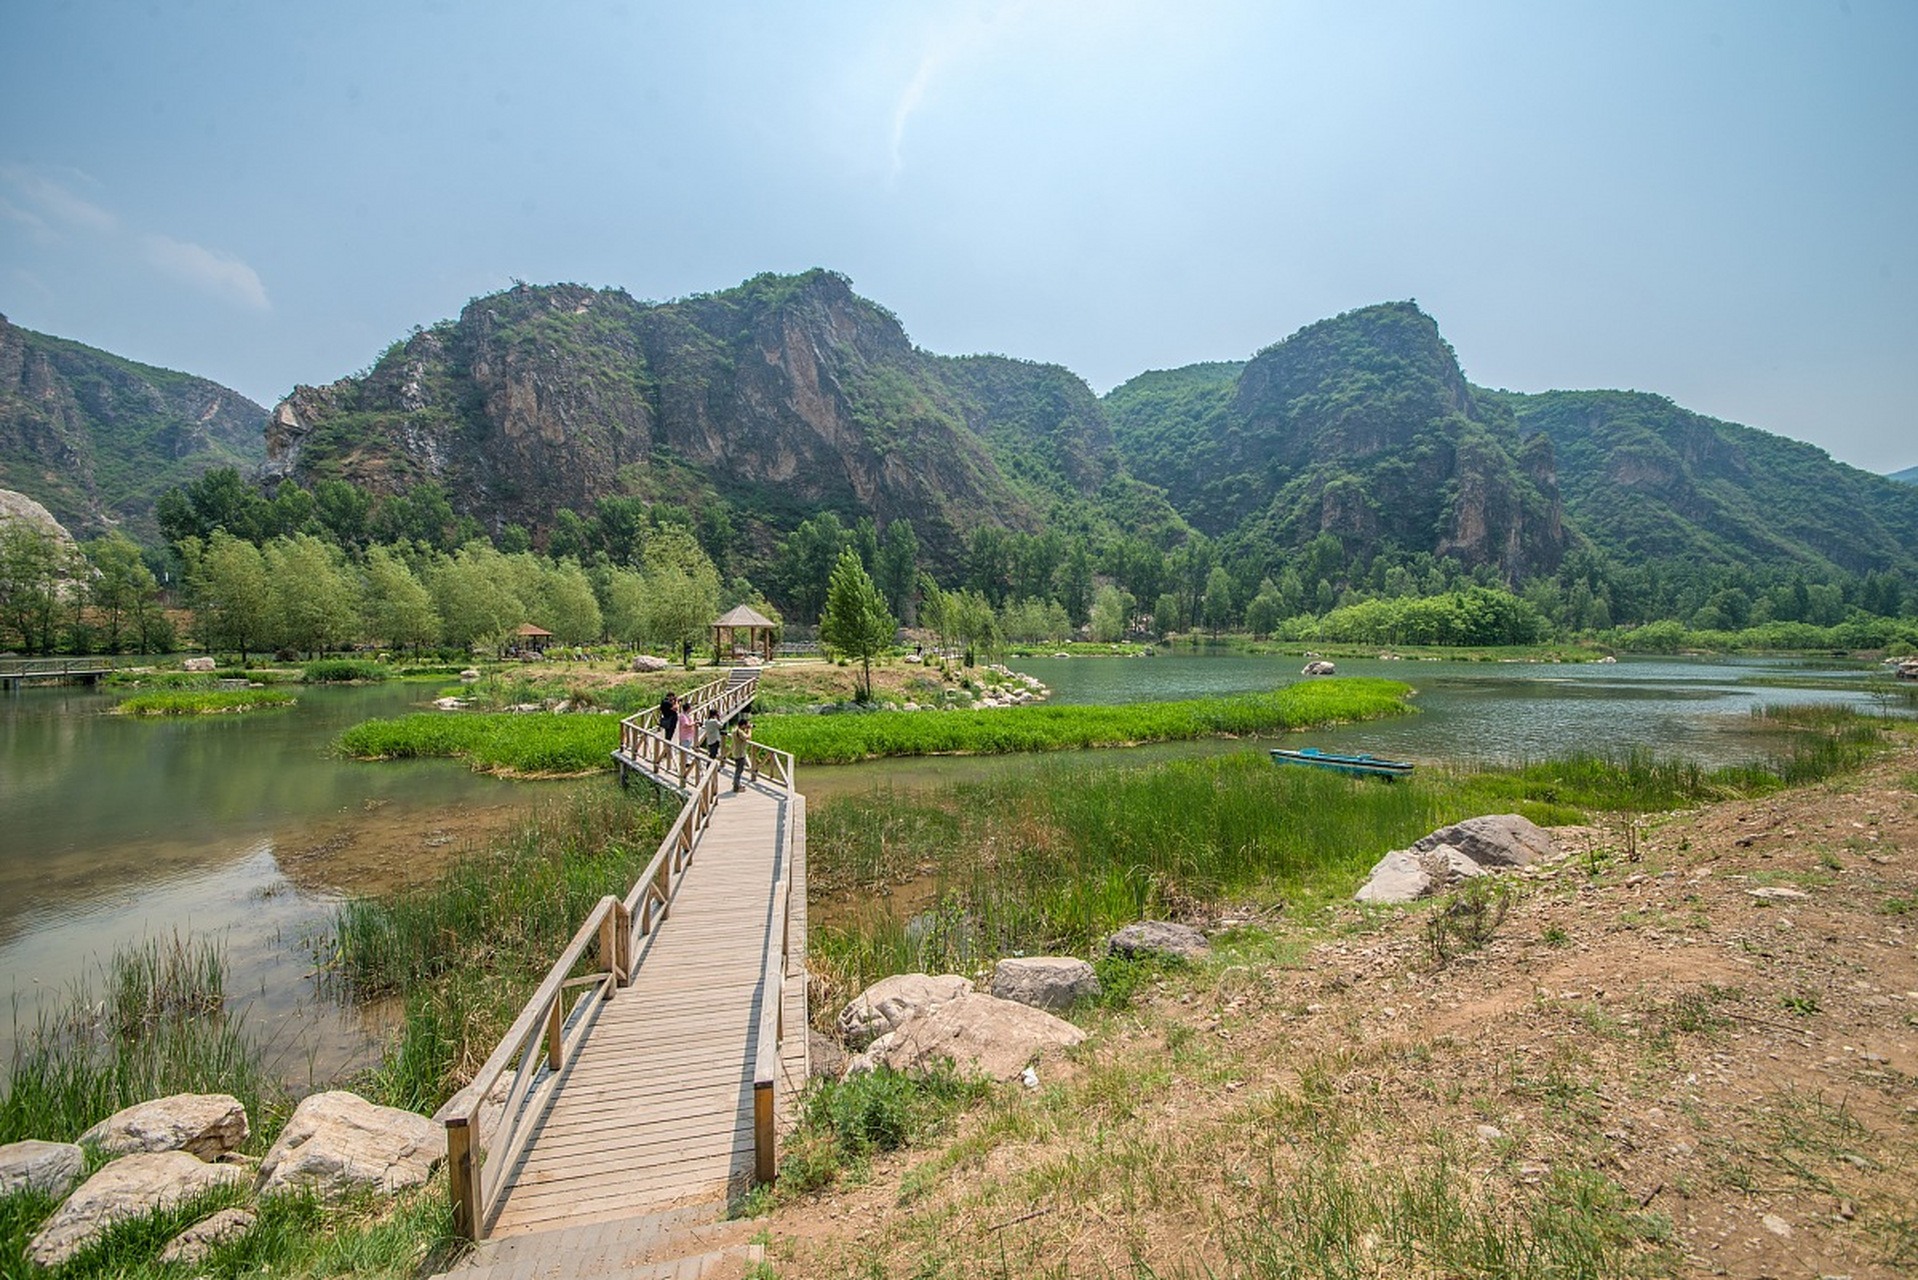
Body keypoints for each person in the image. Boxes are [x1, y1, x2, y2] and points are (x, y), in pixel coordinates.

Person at [727, 717, 757, 791]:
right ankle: (736, 787)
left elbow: (741, 736)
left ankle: (736, 783)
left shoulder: (735, 730)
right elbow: (748, 737)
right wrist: (749, 729)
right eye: (746, 725)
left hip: (735, 752)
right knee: (739, 770)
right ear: (743, 725)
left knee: (738, 769)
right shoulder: (740, 732)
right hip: (740, 753)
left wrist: (746, 728)